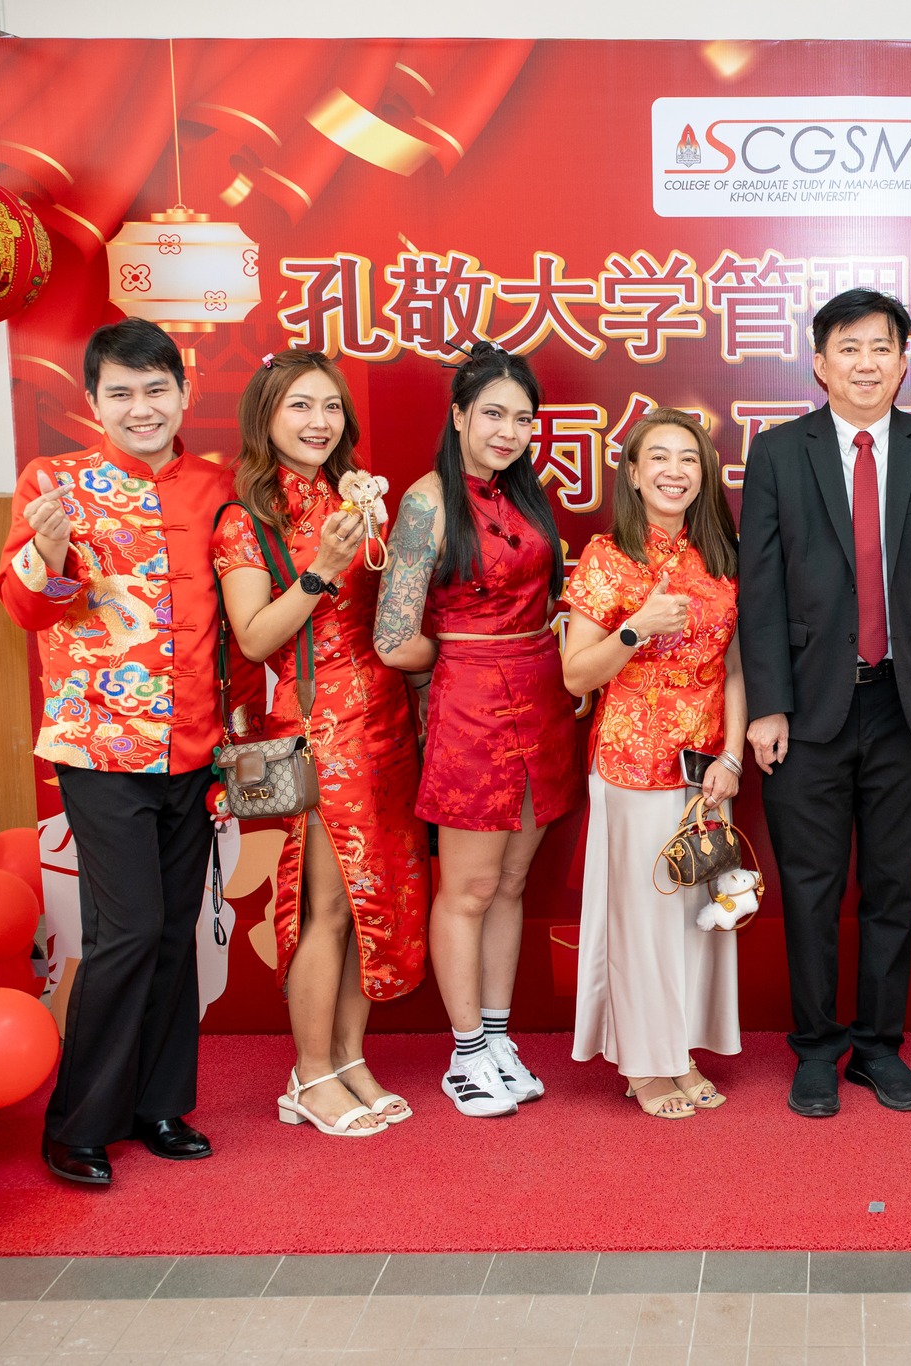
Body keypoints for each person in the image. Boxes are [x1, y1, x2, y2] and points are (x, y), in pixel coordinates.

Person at [0, 318, 234, 1185]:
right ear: (94, 403)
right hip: (100, 746)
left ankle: (158, 1106)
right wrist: (48, 549)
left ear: (184, 393)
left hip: (195, 745)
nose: (142, 408)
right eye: (122, 393)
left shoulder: (217, 486)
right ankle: (77, 1123)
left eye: (156, 390)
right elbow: (25, 608)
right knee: (125, 931)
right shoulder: (52, 482)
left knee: (174, 932)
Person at [737, 288, 911, 1118]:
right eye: (849, 348)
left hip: (908, 704)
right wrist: (768, 704)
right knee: (809, 888)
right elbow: (759, 589)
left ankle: (877, 1048)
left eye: (881, 348)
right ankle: (815, 1048)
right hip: (806, 711)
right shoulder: (778, 452)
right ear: (819, 363)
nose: (866, 363)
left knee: (892, 886)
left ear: (905, 362)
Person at [213, 351, 429, 1137]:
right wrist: (321, 570)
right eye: (300, 406)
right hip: (319, 730)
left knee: (373, 902)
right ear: (265, 416)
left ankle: (348, 1058)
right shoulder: (249, 517)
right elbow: (253, 635)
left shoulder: (357, 495)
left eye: (331, 406)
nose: (319, 422)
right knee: (325, 906)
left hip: (385, 724)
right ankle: (309, 1075)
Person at [374, 343, 580, 1118]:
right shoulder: (427, 502)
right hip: (470, 708)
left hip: (542, 697)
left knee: (512, 884)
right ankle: (464, 1054)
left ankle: (496, 1039)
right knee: (467, 889)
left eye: (522, 418)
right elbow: (393, 639)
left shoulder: (525, 492)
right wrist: (462, 656)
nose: (509, 431)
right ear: (459, 415)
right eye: (493, 414)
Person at [563, 410, 745, 1118]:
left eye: (689, 459)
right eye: (659, 458)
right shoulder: (608, 557)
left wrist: (732, 757)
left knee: (698, 917)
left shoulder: (719, 556)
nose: (675, 471)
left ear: (705, 475)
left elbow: (735, 667)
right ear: (634, 474)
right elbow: (576, 674)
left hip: (705, 771)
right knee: (643, 919)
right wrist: (636, 630)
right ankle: (645, 1065)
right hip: (631, 765)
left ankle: (680, 1052)